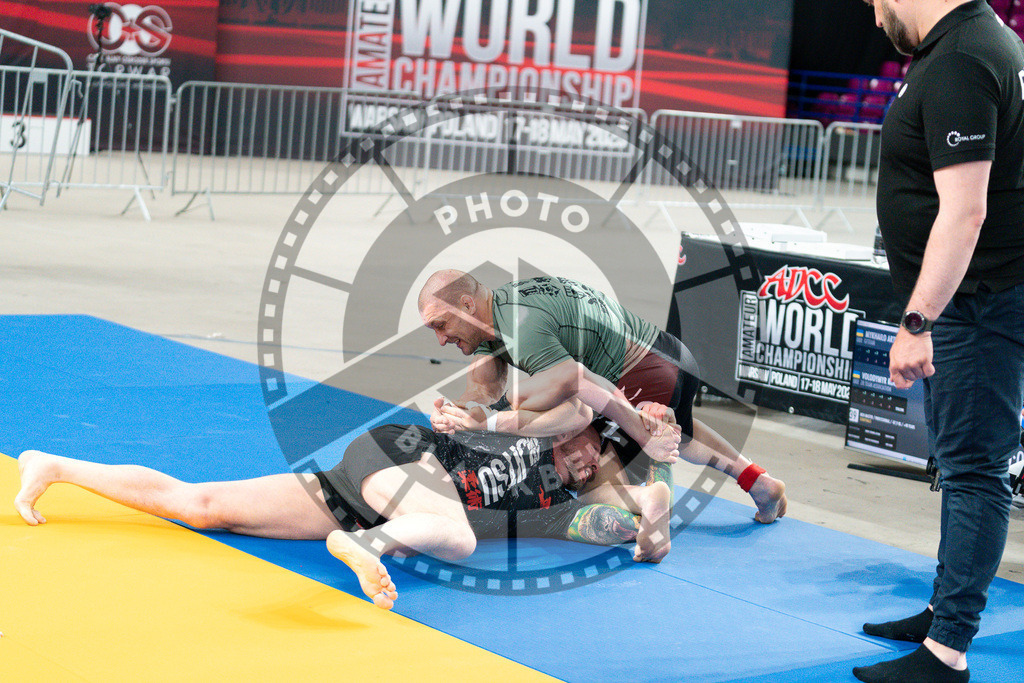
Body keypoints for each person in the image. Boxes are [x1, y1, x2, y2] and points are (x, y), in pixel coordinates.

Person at [13, 398, 671, 611]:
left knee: (204, 503)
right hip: (400, 457)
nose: (587, 461)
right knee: (458, 537)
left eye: (597, 462)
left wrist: (647, 516)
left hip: (355, 492)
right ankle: (368, 547)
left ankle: (57, 464)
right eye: (587, 448)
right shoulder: (538, 428)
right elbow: (568, 403)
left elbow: (618, 517)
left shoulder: (561, 502)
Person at [855, 2, 1024, 682]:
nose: (873, 16)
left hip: (979, 300)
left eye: (873, 1)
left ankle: (948, 650)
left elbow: (966, 209)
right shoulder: (972, 44)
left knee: (977, 468)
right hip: (979, 295)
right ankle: (943, 608)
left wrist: (918, 318)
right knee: (959, 463)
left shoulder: (961, 58)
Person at [418, 270, 787, 524]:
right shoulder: (500, 310)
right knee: (682, 432)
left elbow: (580, 385)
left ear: (467, 305)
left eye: (441, 325)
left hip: (645, 373)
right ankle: (759, 482)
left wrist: (645, 436)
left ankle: (648, 503)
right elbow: (482, 389)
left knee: (593, 486)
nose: (440, 339)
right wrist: (458, 412)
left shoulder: (522, 329)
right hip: (668, 357)